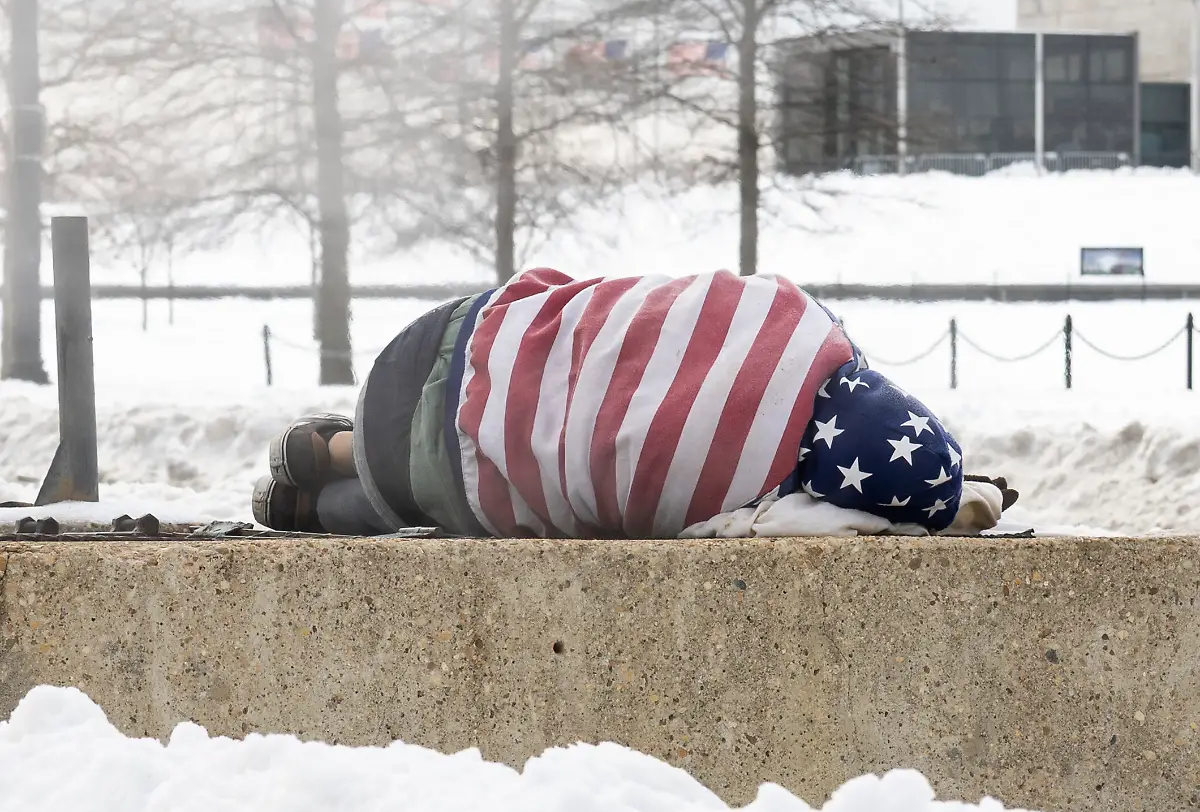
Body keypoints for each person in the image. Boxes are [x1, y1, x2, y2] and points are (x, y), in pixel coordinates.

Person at [253, 267, 1017, 539]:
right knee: (435, 488)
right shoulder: (756, 497)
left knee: (554, 364)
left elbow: (647, 307)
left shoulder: (788, 314)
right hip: (454, 479)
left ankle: (336, 448)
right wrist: (955, 503)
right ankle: (325, 504)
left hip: (449, 347)